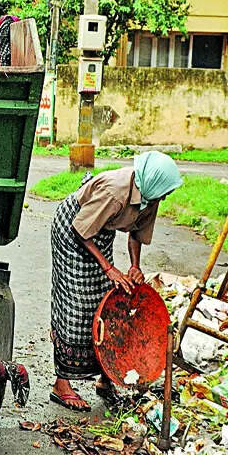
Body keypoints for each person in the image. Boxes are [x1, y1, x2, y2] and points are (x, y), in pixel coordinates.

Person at [49, 151, 183, 411]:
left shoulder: (150, 195)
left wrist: (134, 267)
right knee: (77, 305)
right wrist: (109, 267)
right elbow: (81, 229)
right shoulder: (115, 192)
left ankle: (106, 377)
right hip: (73, 232)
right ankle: (61, 384)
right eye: (164, 192)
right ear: (153, 182)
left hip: (98, 232)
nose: (165, 197)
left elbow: (136, 235)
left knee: (107, 300)